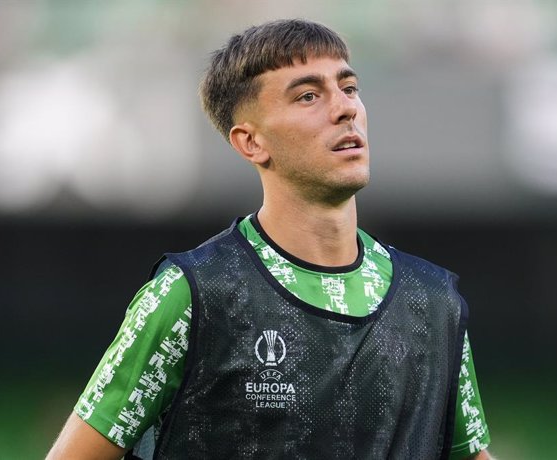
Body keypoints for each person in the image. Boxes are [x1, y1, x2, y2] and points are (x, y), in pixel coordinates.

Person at [47, 19, 492, 460]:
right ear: (251, 142)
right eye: (308, 96)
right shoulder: (192, 294)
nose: (345, 109)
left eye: (350, 88)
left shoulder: (434, 304)